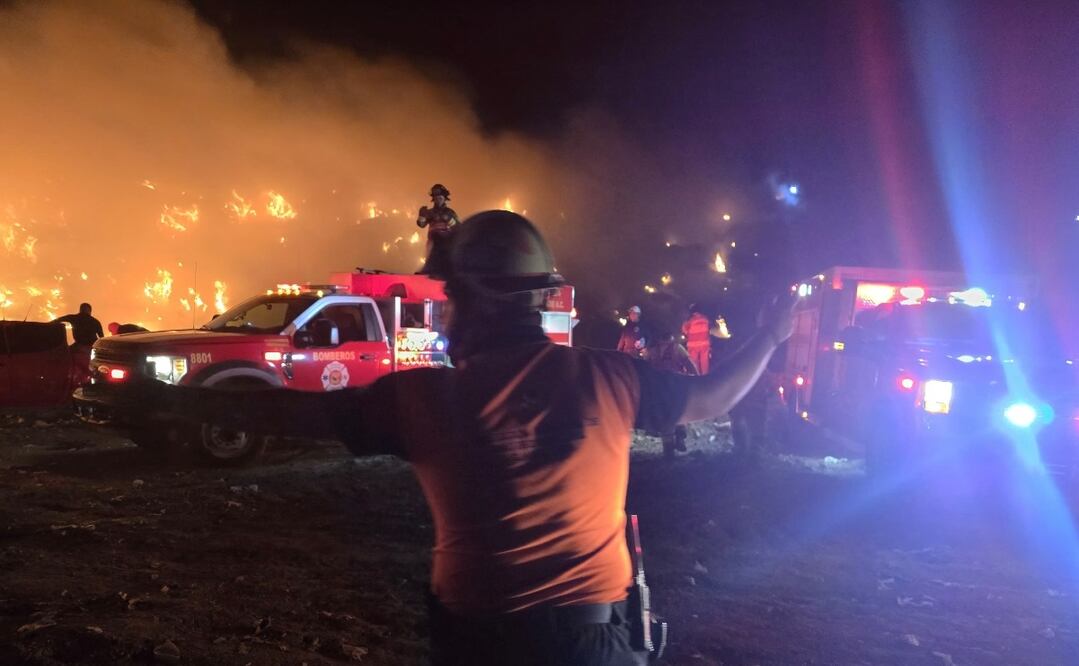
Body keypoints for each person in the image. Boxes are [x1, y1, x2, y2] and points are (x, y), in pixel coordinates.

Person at [133, 211, 795, 666]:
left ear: (470, 298)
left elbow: (288, 415)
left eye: (449, 298)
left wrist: (166, 398)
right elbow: (710, 399)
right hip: (594, 643)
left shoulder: (426, 398)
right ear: (537, 296)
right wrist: (770, 337)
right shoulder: (608, 377)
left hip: (480, 644)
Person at [643, 332, 697, 457]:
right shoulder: (677, 348)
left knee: (666, 418)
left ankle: (671, 448)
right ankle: (676, 441)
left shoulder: (652, 350)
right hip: (673, 388)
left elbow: (646, 367)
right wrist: (696, 379)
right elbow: (690, 365)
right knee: (678, 414)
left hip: (662, 389)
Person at [417, 183, 460, 273]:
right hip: (432, 241)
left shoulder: (450, 212)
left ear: (444, 199)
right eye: (436, 198)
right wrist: (421, 215)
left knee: (445, 264)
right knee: (431, 261)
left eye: (440, 198)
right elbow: (421, 224)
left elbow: (458, 228)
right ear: (433, 199)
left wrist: (449, 220)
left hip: (446, 242)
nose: (438, 200)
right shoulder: (430, 212)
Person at [682, 305, 712, 375]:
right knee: (704, 361)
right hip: (704, 344)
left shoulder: (690, 320)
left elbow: (684, 330)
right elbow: (709, 329)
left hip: (693, 345)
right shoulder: (705, 319)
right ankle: (705, 377)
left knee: (694, 363)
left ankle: (696, 377)